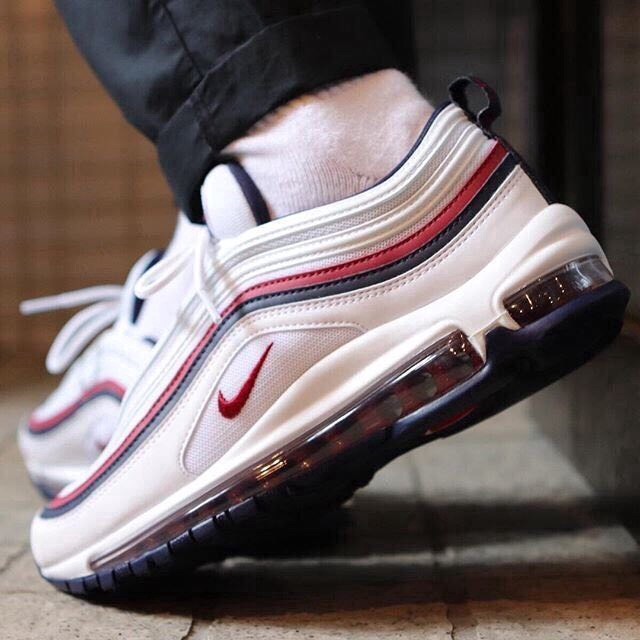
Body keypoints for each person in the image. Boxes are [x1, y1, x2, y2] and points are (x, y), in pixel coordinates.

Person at [25, 1, 628, 595]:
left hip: (347, 211)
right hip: (428, 199)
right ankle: (369, 174)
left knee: (307, 123)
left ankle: (312, 171)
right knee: (340, 106)